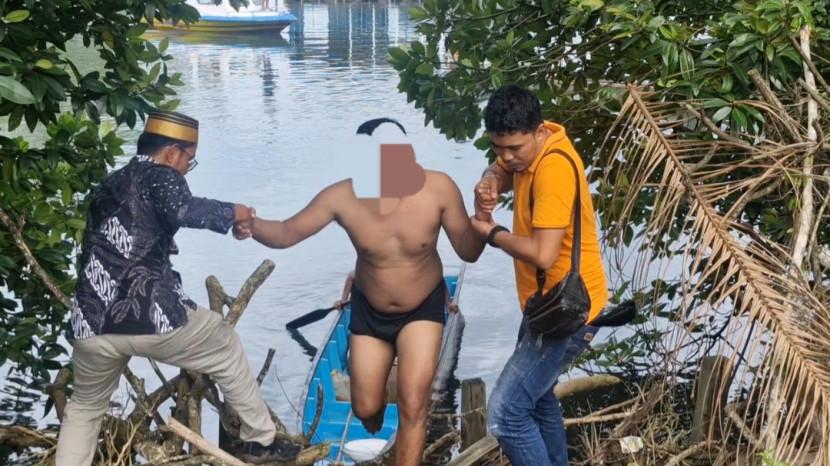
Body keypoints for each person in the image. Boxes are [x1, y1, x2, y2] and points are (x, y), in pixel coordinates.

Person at [55, 111, 298, 466]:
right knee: (225, 343)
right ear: (172, 152)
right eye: (189, 160)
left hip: (90, 322)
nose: (186, 169)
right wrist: (236, 212)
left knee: (84, 408)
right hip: (147, 317)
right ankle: (260, 442)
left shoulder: (110, 183)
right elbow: (182, 209)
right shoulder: (160, 174)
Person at [238, 119, 486, 466]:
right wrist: (251, 224)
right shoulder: (342, 197)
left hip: (423, 308)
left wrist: (482, 219)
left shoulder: (438, 188)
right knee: (366, 409)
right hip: (370, 310)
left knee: (413, 406)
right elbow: (286, 232)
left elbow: (468, 251)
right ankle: (382, 415)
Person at [470, 85, 608, 466]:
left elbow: (543, 253)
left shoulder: (553, 171)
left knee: (506, 413)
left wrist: (492, 233)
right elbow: (502, 167)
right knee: (540, 396)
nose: (507, 156)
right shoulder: (529, 152)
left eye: (515, 148)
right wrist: (490, 179)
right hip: (547, 304)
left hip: (570, 309)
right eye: (498, 147)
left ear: (539, 131)